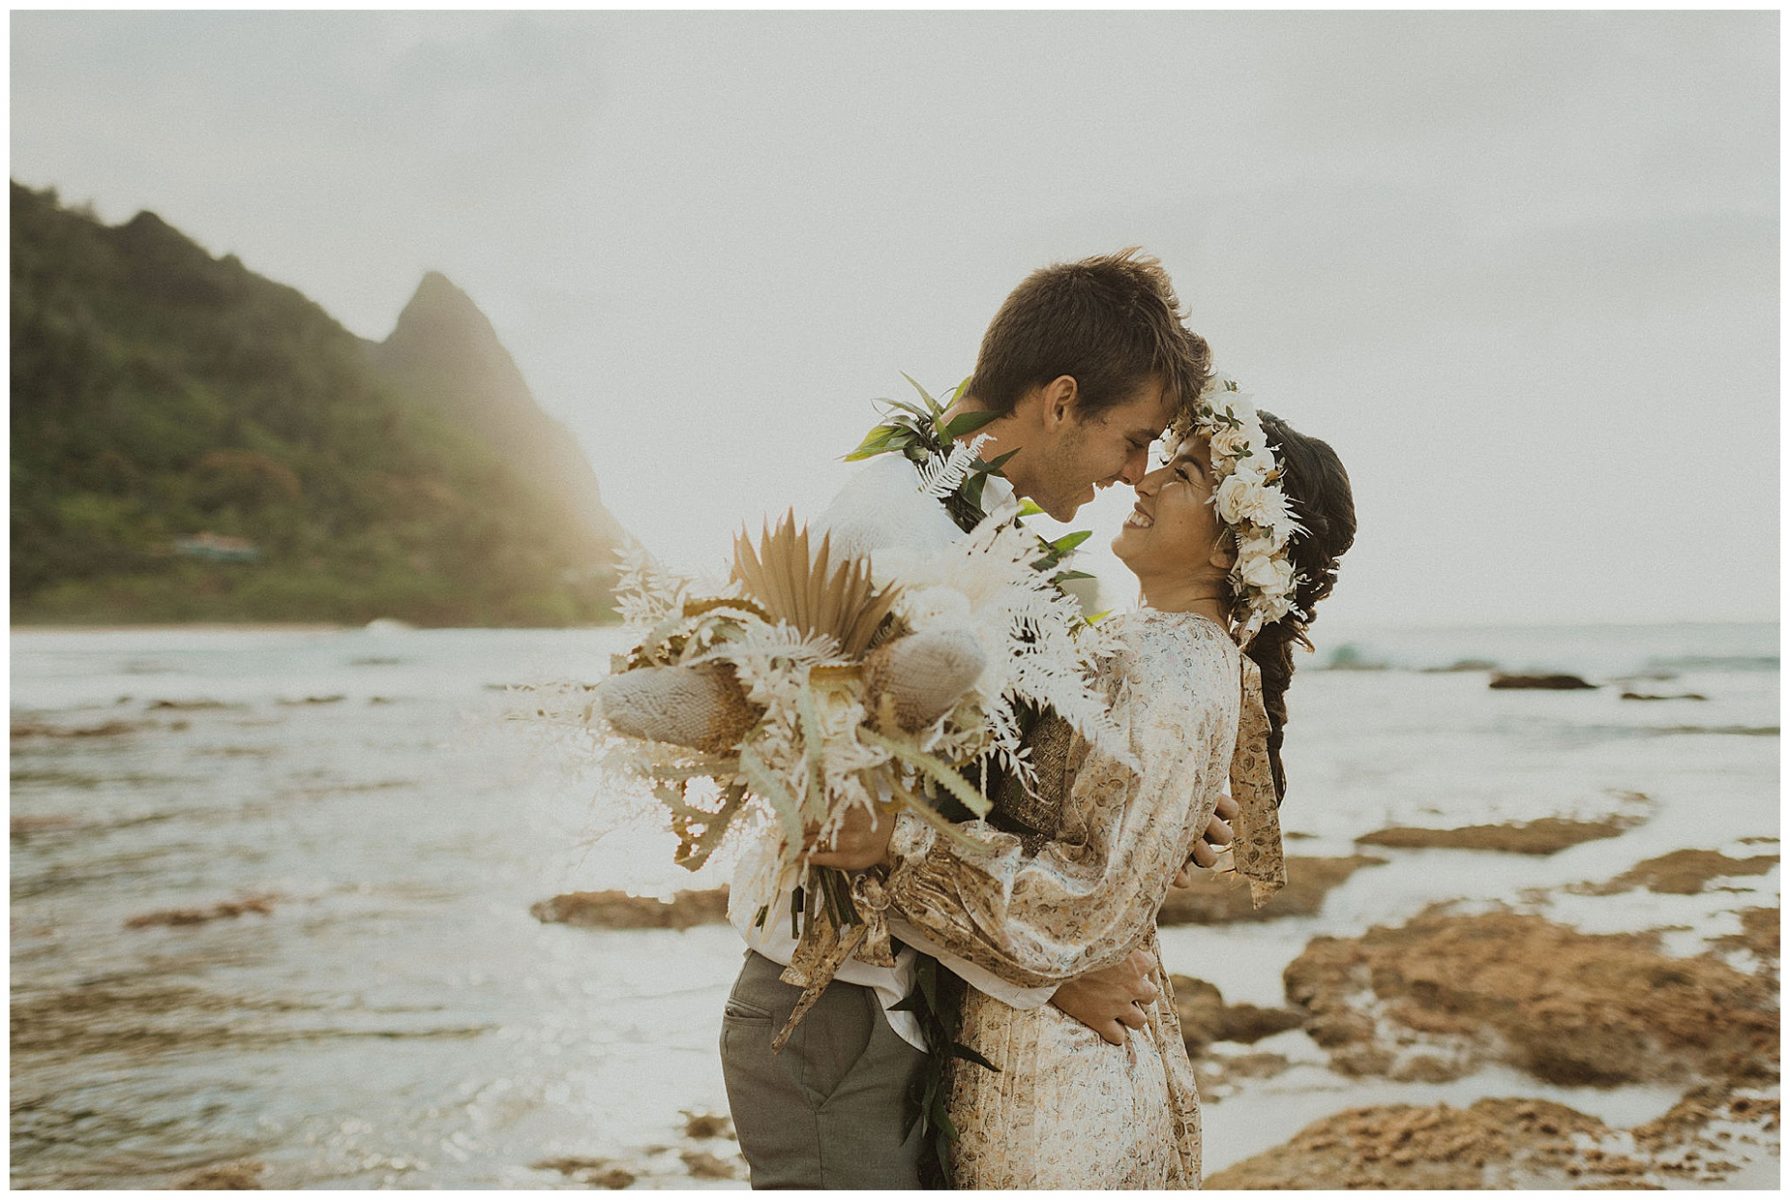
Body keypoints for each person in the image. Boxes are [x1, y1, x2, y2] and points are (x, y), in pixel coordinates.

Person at [717, 249, 1230, 1189]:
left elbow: (990, 791)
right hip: (832, 1021)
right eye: (1135, 437)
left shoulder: (980, 533)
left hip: (897, 1017)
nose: (1135, 473)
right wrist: (1050, 971)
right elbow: (845, 829)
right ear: (1062, 400)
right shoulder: (890, 533)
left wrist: (1156, 811)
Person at [816, 405, 1357, 1186]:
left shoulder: (1158, 661)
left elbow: (1090, 902)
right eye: (1163, 455)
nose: (1147, 478)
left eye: (1186, 475)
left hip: (1054, 1065)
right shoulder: (1199, 658)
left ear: (1228, 544)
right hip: (1076, 1038)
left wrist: (899, 840)